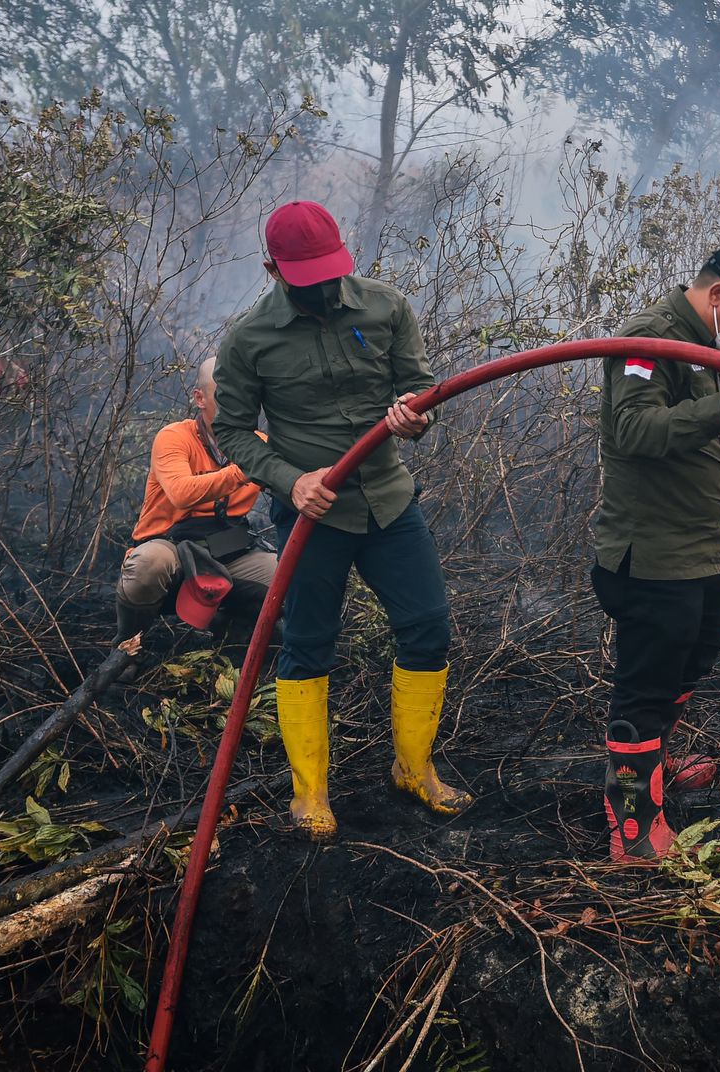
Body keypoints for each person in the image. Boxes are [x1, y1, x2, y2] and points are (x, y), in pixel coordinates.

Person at [213, 200, 466, 841]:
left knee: (428, 627)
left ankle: (415, 769)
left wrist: (415, 413)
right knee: (306, 644)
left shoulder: (385, 307)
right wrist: (289, 482)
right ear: (272, 269)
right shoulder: (248, 340)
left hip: (388, 500)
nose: (324, 288)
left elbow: (420, 387)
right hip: (312, 516)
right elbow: (234, 433)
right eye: (306, 278)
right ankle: (310, 795)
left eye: (330, 272)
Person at [593, 241, 720, 862]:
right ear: (718, 298)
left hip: (698, 551)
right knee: (645, 689)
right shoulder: (650, 340)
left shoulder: (705, 347)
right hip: (652, 559)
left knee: (698, 654)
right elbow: (632, 430)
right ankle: (631, 821)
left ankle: (652, 761)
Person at [114, 357, 276, 655]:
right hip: (170, 547)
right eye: (224, 395)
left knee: (286, 578)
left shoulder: (259, 443)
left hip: (227, 551)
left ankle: (230, 643)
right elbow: (181, 493)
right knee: (148, 565)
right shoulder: (174, 437)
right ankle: (127, 649)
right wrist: (244, 470)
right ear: (199, 398)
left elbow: (291, 484)